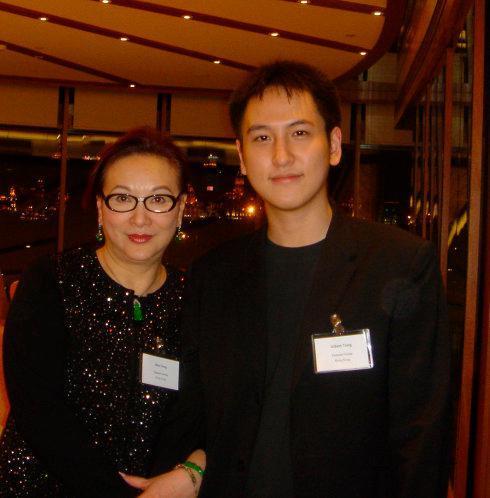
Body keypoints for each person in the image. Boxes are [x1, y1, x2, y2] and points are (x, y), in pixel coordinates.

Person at [126, 61, 451, 498]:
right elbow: (199, 413)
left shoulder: (398, 264)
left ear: (333, 145)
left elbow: (421, 434)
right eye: (262, 138)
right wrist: (191, 471)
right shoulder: (214, 275)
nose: (281, 156)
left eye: (299, 133)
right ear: (242, 156)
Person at [0, 127, 204, 497]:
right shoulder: (53, 282)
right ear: (99, 206)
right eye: (122, 198)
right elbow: (38, 410)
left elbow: (211, 413)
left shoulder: (196, 301)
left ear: (180, 208)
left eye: (158, 199)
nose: (140, 218)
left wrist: (194, 470)